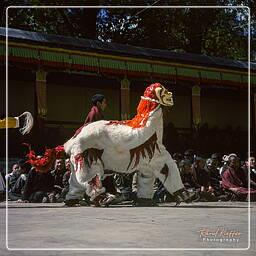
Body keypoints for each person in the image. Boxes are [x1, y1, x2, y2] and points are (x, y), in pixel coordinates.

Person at [65, 94, 118, 206]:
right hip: (89, 149)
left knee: (81, 174)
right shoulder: (94, 113)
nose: (106, 104)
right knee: (94, 172)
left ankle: (73, 197)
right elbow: (92, 132)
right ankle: (96, 196)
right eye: (104, 102)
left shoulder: (95, 113)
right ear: (99, 103)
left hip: (87, 148)